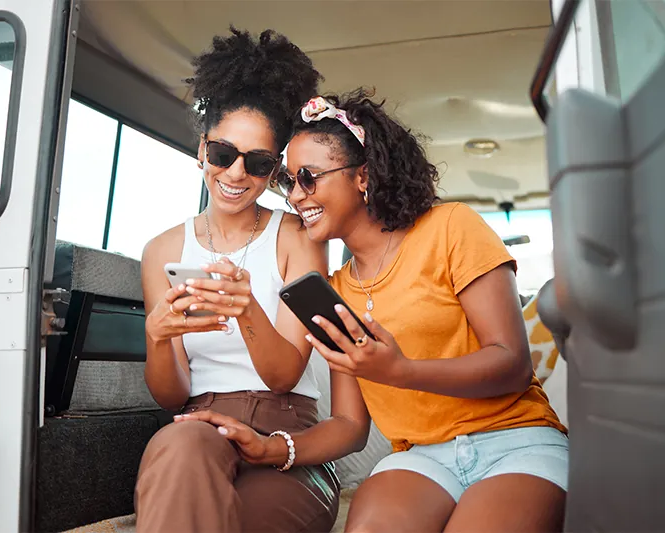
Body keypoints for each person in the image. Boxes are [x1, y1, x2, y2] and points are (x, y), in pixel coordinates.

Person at [179, 89, 569, 533]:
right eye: (288, 182)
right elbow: (349, 424)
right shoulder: (333, 291)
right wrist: (271, 448)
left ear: (363, 176)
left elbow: (512, 364)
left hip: (517, 441)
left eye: (308, 177)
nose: (295, 197)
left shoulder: (452, 227)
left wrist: (400, 371)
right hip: (420, 456)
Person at [134, 28, 345, 533]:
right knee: (179, 446)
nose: (235, 174)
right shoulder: (161, 250)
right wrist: (159, 338)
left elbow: (283, 375)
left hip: (287, 429)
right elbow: (169, 395)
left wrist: (245, 307)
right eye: (224, 153)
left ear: (274, 171)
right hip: (198, 424)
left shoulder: (299, 236)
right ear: (202, 149)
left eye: (258, 163)